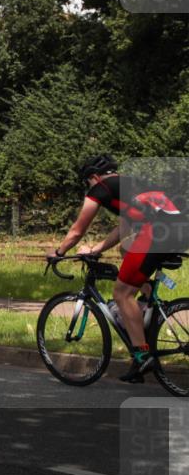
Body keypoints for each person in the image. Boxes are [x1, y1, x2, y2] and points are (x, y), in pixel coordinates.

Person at [48, 154, 186, 383]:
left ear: (93, 177)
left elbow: (77, 230)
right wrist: (95, 249)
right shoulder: (130, 184)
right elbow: (124, 231)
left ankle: (143, 355)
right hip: (178, 230)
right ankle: (147, 315)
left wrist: (59, 253)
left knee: (121, 292)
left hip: (158, 234)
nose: (88, 189)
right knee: (126, 251)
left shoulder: (100, 187)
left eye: (87, 183)